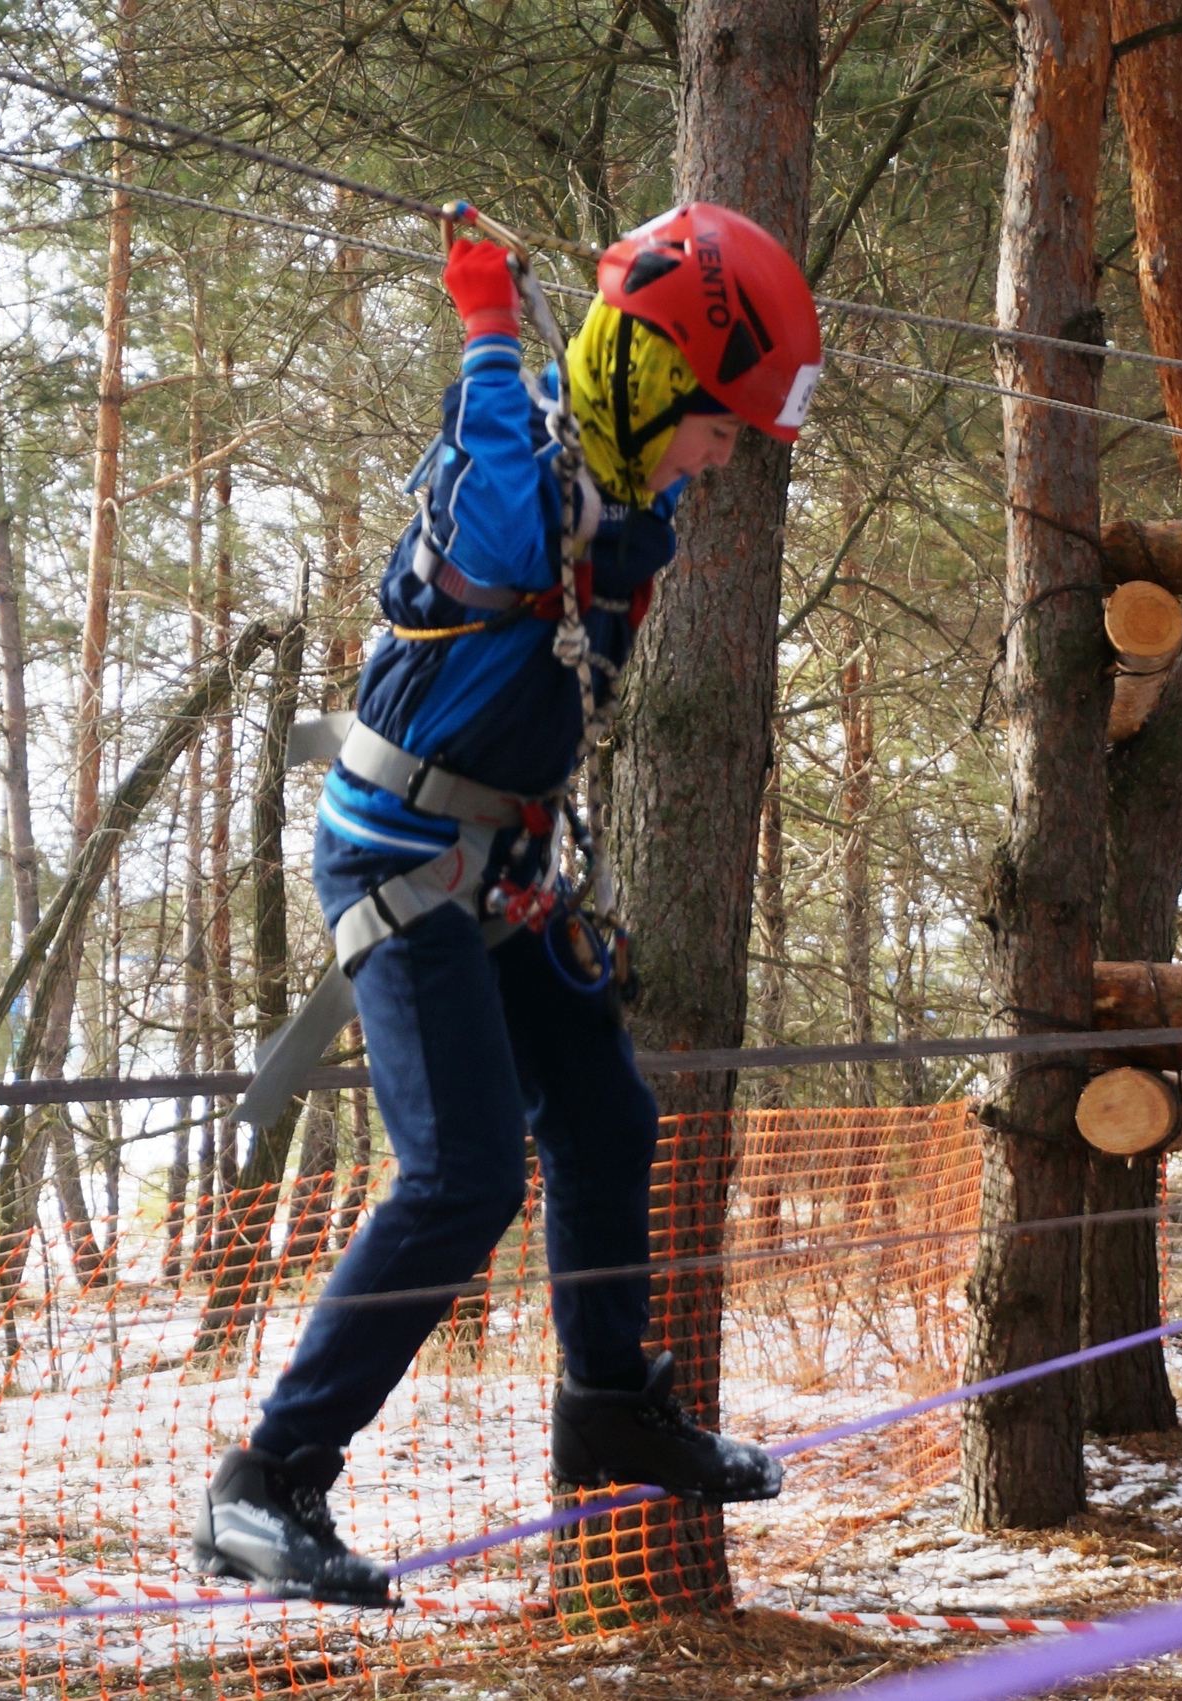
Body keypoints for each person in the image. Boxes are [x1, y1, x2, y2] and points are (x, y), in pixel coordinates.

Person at [193, 204, 824, 1604]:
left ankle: (607, 1398)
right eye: (718, 426)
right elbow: (497, 499)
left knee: (606, 1113)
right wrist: (485, 319)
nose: (720, 461)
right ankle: (266, 1482)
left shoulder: (624, 499)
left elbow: (600, 523)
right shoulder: (513, 466)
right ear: (656, 380)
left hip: (503, 866)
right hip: (401, 858)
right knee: (464, 1171)